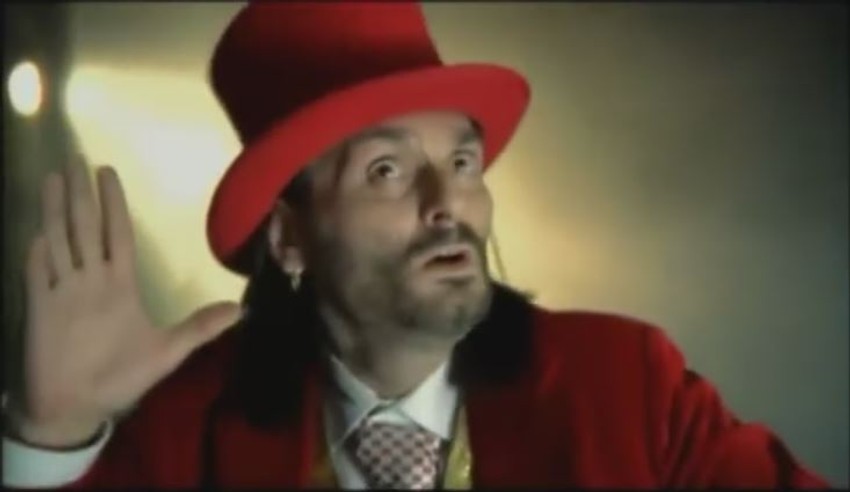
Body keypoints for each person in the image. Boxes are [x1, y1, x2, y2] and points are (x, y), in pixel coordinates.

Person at [2, 2, 830, 489]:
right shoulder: (188, 434)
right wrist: (50, 436)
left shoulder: (630, 390)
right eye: (388, 170)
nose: (448, 205)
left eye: (461, 162)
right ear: (289, 238)